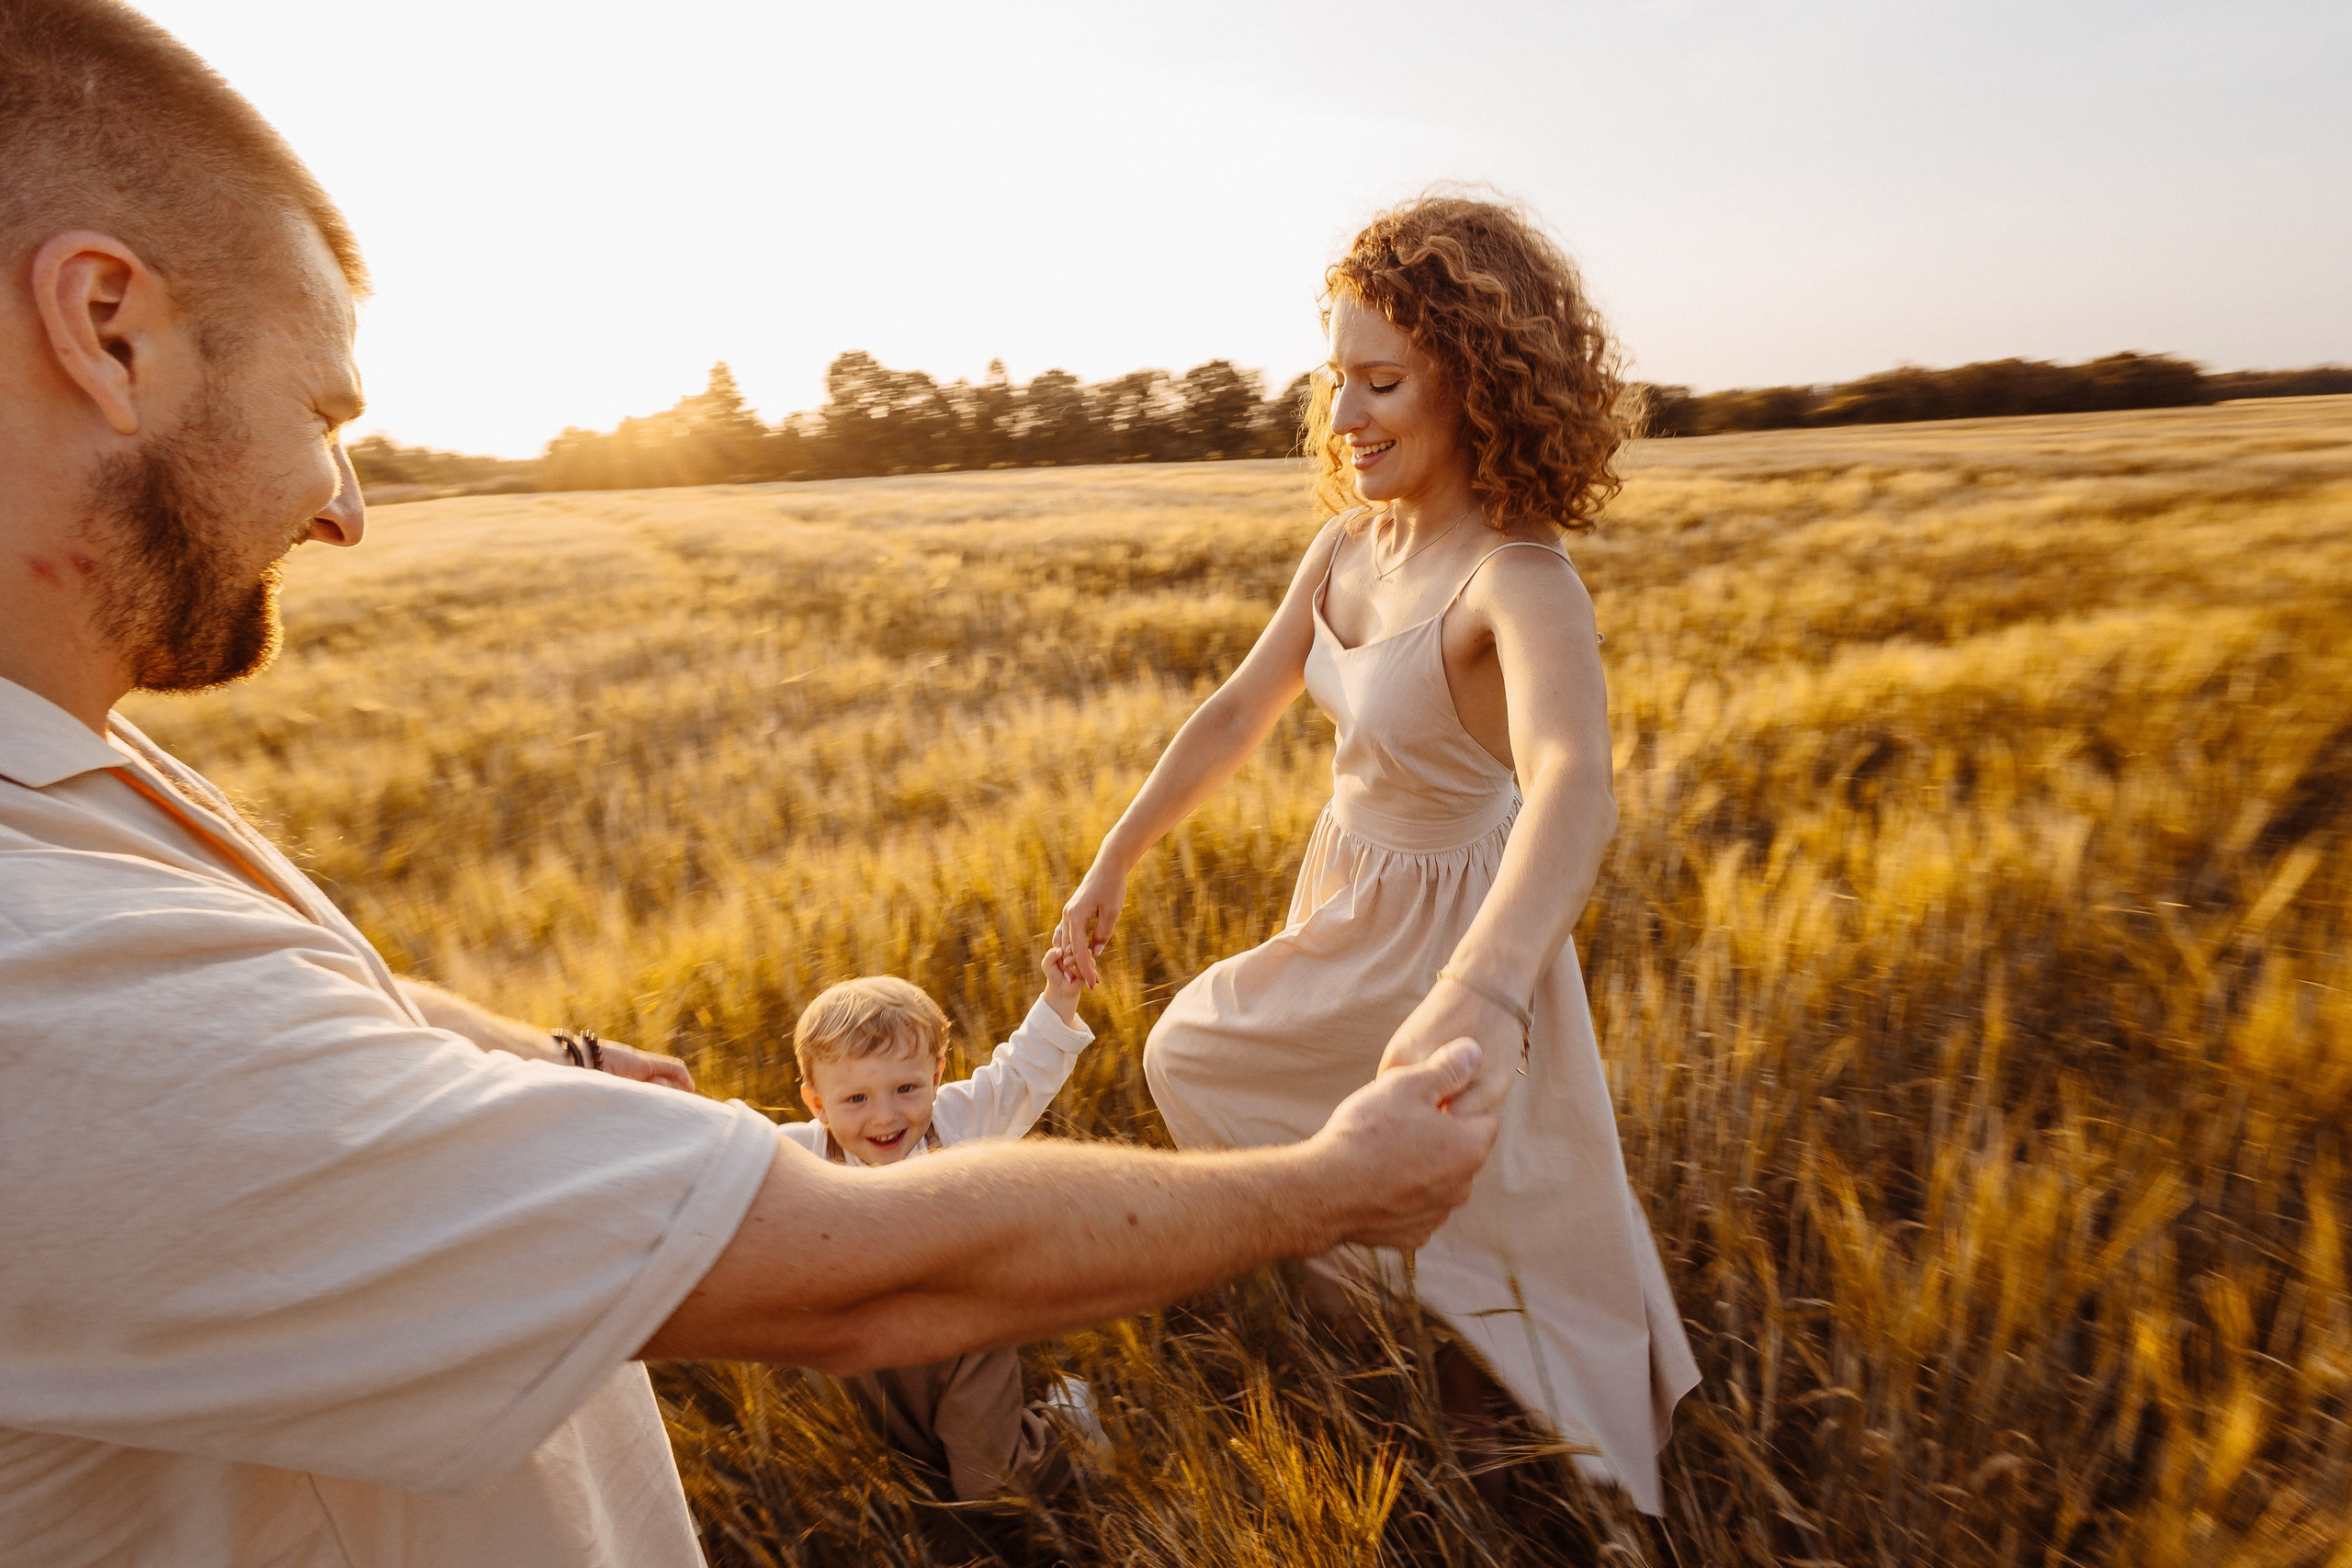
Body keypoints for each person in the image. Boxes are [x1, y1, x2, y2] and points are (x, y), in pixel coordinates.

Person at [0, 6, 1500, 1564]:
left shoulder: (68, 763)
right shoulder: (38, 972)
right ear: (109, 326)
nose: (348, 510)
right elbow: (858, 1276)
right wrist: (1330, 1184)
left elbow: (290, 993)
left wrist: (556, 1052)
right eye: (323, 414)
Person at [1055, 195, 1701, 1513]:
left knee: (1501, 1196)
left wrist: (1489, 982)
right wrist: (1117, 850)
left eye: (1382, 379)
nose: (1344, 413)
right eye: (1334, 377)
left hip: (1467, 926)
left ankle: (1483, 1387)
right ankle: (1388, 1326)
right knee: (1198, 1055)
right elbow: (1240, 707)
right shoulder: (1349, 544)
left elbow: (1576, 780)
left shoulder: (1519, 575)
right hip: (1350, 895)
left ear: (1482, 382)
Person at [786, 960, 1101, 1501]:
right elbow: (721, 1154)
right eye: (856, 1099)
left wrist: (1060, 993)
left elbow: (1020, 1075)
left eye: (906, 1088)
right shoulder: (801, 1154)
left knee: (991, 1487)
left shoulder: (955, 1123)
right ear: (816, 1103)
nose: (885, 1117)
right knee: (898, 1478)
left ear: (936, 1075)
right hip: (866, 1349)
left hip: (966, 1332)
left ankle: (1068, 1428)